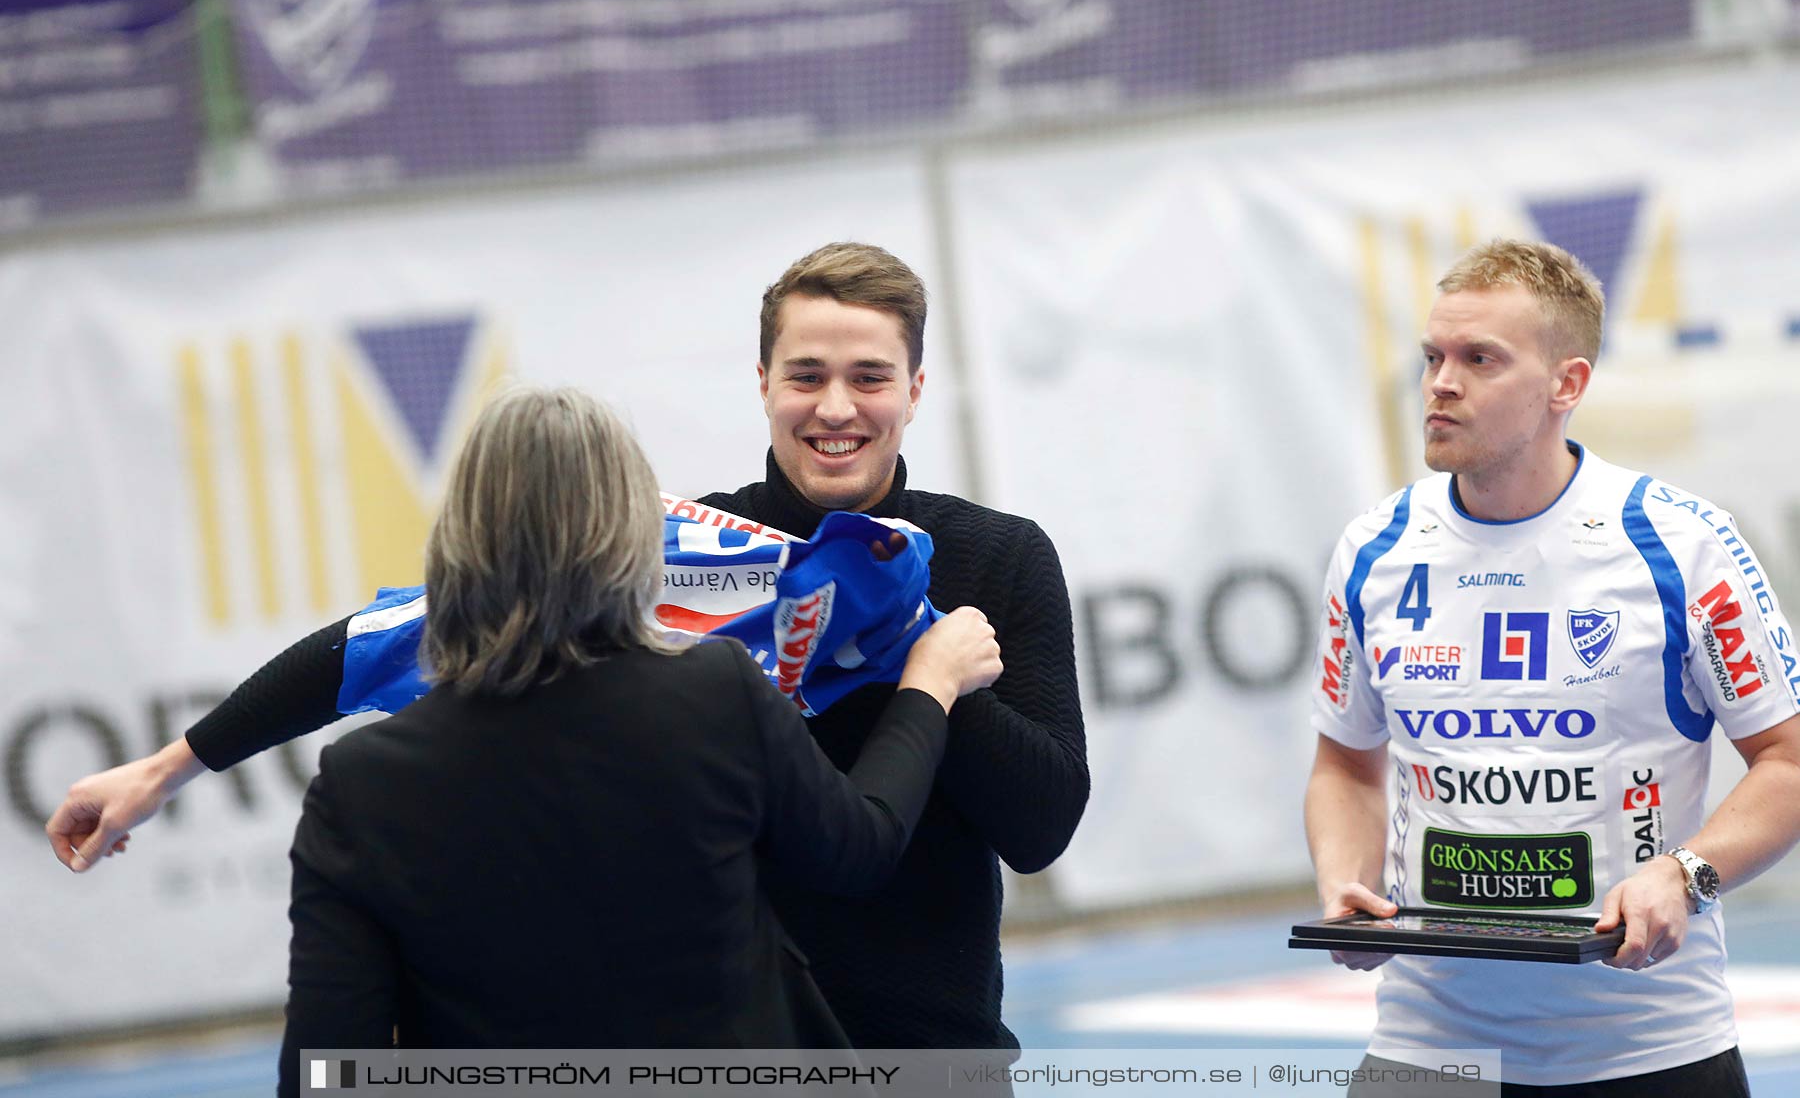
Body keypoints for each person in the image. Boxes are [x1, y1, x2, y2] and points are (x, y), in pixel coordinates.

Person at [48, 242, 1089, 1052]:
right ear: (762, 380)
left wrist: (929, 664)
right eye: (806, 373)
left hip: (938, 1047)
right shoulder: (680, 551)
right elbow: (390, 637)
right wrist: (168, 766)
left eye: (869, 377)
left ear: (915, 387)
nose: (835, 407)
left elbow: (1042, 827)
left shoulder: (991, 561)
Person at [275, 385, 1002, 1095]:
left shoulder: (359, 783)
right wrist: (927, 686)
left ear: (459, 534)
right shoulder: (711, 693)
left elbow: (324, 1067)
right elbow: (859, 849)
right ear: (630, 531)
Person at [1305, 238, 1800, 1095]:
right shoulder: (1375, 548)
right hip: (1430, 1048)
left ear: (1566, 385)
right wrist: (1347, 885)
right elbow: (1346, 764)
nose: (1440, 383)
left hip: (1650, 1047)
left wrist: (1685, 873)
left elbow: (1788, 760)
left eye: (1479, 359)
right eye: (1432, 357)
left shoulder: (1680, 545)